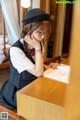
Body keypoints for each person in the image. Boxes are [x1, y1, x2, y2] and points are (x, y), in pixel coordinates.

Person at [0, 8, 59, 109]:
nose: (43, 37)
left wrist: (47, 66)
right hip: (19, 92)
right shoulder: (16, 50)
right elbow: (38, 73)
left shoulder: (38, 44)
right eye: (40, 32)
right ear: (28, 29)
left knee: (55, 96)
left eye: (45, 33)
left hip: (34, 86)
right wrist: (37, 49)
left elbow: (36, 66)